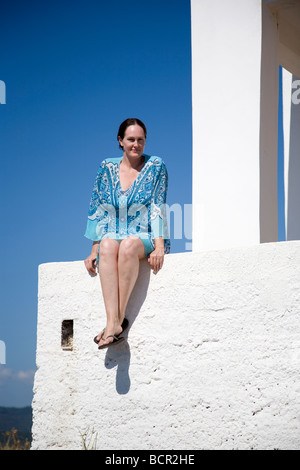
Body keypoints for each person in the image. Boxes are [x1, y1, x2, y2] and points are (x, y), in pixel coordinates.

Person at [84, 118, 170, 349]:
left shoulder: (156, 166)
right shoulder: (107, 168)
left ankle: (114, 325)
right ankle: (113, 322)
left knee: (129, 244)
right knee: (108, 245)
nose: (136, 144)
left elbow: (157, 207)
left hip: (145, 236)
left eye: (140, 140)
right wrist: (94, 249)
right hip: (113, 233)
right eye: (131, 139)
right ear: (120, 141)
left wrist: (159, 247)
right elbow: (98, 208)